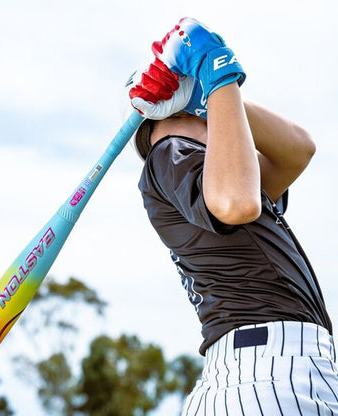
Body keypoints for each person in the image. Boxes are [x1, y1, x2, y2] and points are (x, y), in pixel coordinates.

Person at [127, 17, 338, 415]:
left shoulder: (209, 175)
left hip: (261, 374)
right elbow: (238, 203)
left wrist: (211, 91)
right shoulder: (171, 151)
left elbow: (298, 150)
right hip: (267, 375)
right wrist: (216, 69)